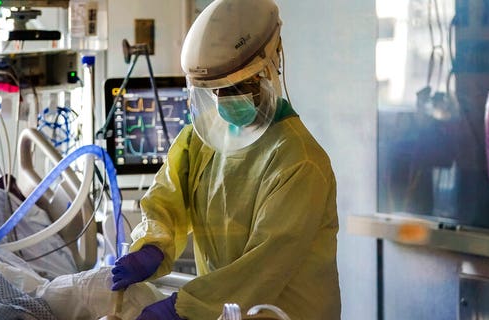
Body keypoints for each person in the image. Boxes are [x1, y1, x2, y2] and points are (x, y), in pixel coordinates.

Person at [111, 0, 341, 319]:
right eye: (216, 89)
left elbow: (263, 265)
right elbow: (167, 198)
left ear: (269, 68)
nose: (225, 98)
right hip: (224, 311)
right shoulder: (203, 138)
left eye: (239, 86)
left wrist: (186, 307)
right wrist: (152, 245)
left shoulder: (299, 162)